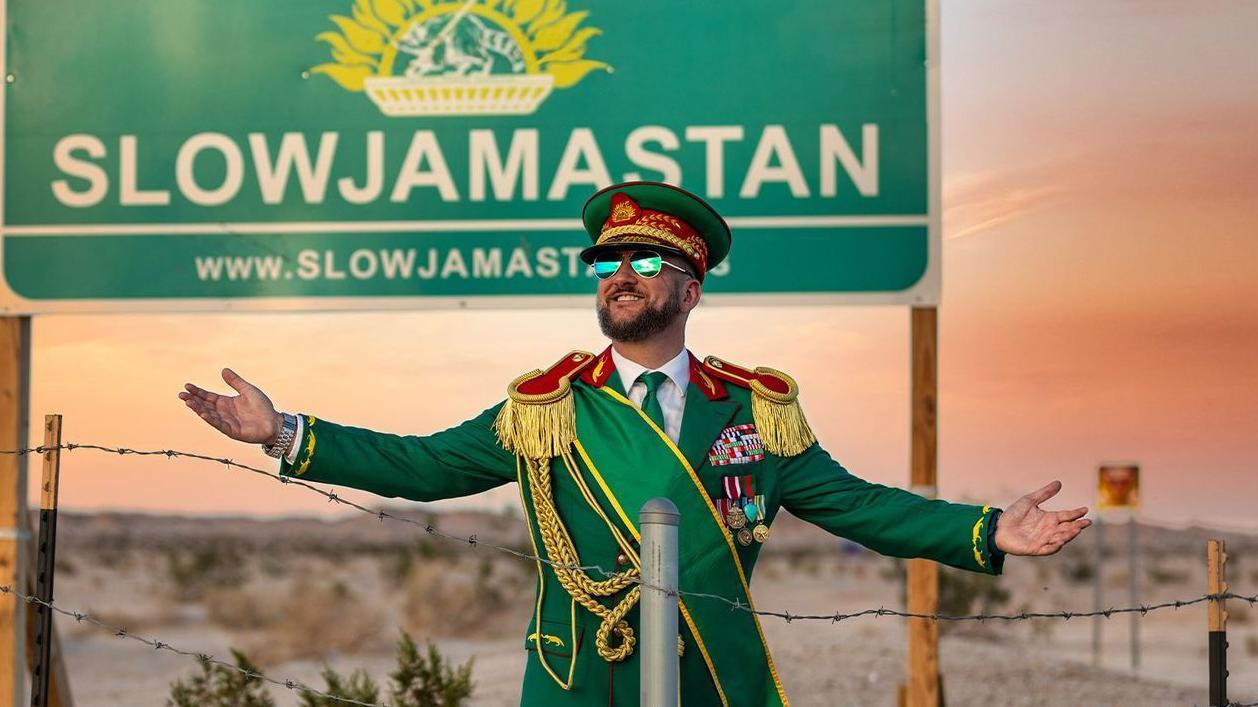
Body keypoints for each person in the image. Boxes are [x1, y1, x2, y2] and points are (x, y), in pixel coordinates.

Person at [179, 181, 1091, 706]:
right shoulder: (547, 406)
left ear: (689, 290)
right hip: (576, 676)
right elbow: (422, 465)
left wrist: (986, 531)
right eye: (611, 263)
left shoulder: (758, 409)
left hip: (705, 675)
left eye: (648, 262)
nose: (623, 275)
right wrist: (286, 432)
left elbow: (855, 504)